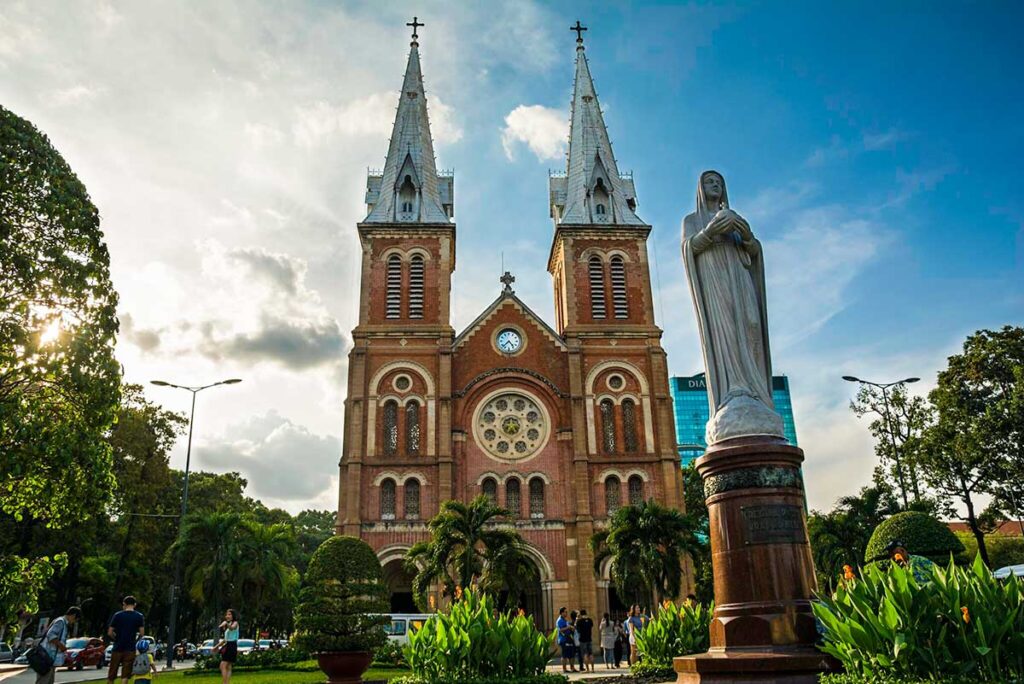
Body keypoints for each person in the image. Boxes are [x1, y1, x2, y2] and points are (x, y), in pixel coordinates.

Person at [36, 606, 81, 684]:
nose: (73, 622)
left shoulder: (63, 623)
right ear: (73, 615)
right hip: (47, 657)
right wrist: (61, 646)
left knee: (49, 681)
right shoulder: (60, 622)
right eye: (75, 620)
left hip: (51, 659)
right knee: (44, 681)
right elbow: (50, 635)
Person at [107, 596, 146, 684]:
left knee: (112, 673)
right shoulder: (139, 616)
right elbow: (142, 633)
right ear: (135, 605)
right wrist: (136, 640)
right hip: (130, 648)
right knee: (125, 675)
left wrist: (115, 638)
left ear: (124, 604)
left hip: (117, 647)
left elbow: (110, 632)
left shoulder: (117, 615)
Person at [214, 608, 240, 683]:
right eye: (227, 614)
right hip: (228, 645)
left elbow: (232, 628)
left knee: (223, 665)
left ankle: (225, 683)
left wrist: (226, 623)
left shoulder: (235, 623)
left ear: (233, 616)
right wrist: (215, 647)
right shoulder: (228, 627)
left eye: (229, 614)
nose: (227, 616)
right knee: (227, 666)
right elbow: (225, 640)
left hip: (232, 645)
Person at [555, 607, 576, 673]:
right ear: (561, 613)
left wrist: (571, 627)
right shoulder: (559, 620)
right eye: (565, 612)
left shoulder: (564, 620)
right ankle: (564, 669)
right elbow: (560, 629)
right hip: (563, 639)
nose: (566, 613)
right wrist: (569, 627)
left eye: (567, 612)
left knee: (571, 654)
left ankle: (572, 668)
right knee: (564, 655)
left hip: (569, 639)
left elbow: (567, 627)